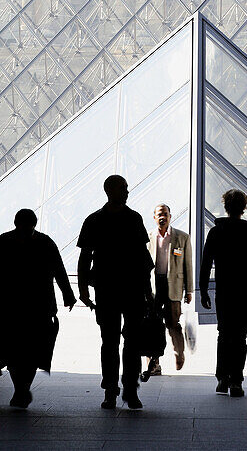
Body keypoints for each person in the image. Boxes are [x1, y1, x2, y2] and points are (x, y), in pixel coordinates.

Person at [0, 208, 76, 408]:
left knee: (12, 349)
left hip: (9, 305)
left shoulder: (3, 242)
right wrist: (68, 295)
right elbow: (59, 270)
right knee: (33, 350)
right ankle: (23, 387)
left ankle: (20, 388)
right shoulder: (46, 242)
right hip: (39, 306)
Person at [77, 174, 154, 410]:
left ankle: (112, 389)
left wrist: (83, 289)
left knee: (109, 342)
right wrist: (148, 293)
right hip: (129, 289)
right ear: (111, 190)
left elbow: (85, 258)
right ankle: (129, 390)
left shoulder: (94, 220)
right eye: (124, 188)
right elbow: (143, 260)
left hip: (107, 289)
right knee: (128, 342)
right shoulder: (133, 219)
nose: (128, 191)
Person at [199, 189, 247, 397]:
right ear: (244, 208)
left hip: (223, 290)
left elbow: (206, 262)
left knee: (224, 334)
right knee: (240, 335)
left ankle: (222, 378)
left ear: (225, 206)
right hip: (244, 290)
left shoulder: (216, 232)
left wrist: (204, 290)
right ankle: (237, 379)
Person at [146, 203, 193, 374]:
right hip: (153, 287)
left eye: (165, 214)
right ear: (154, 217)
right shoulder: (148, 237)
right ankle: (154, 364)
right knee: (152, 325)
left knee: (173, 323)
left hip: (173, 285)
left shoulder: (182, 237)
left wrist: (189, 290)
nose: (162, 217)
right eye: (159, 214)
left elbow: (188, 265)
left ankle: (178, 353)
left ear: (170, 216)